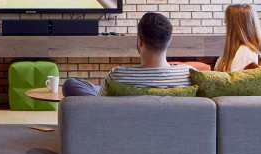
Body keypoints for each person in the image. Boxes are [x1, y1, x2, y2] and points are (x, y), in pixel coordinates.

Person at [61, 12, 192, 97]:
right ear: (170, 40)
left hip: (121, 124)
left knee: (70, 84)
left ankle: (99, 88)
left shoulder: (118, 75)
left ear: (140, 40)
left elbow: (99, 106)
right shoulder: (189, 74)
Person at [214, 4, 261, 72]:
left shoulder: (244, 52)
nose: (225, 22)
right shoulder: (236, 50)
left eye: (227, 20)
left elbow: (236, 81)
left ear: (235, 26)